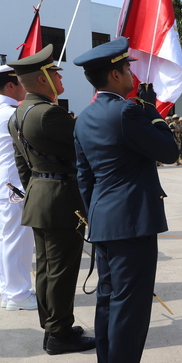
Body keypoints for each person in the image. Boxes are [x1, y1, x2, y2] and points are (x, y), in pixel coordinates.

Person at [73, 36, 178, 362]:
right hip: (132, 224)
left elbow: (84, 177)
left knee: (108, 300)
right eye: (127, 69)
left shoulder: (85, 117)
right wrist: (153, 114)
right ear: (115, 76)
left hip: (105, 222)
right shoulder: (127, 113)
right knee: (130, 308)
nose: (133, 76)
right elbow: (170, 152)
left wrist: (97, 216)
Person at [7, 44, 94, 355]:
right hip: (60, 200)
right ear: (42, 78)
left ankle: (55, 327)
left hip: (40, 199)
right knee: (60, 271)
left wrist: (40, 191)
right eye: (55, 72)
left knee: (46, 270)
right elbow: (86, 149)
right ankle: (58, 335)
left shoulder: (17, 115)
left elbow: (23, 167)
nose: (59, 76)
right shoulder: (49, 114)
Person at [0, 65, 36, 312]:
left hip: (5, 186)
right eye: (22, 82)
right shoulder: (13, 113)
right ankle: (18, 294)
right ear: (11, 85)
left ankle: (7, 288)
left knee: (6, 239)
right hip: (15, 187)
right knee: (18, 241)